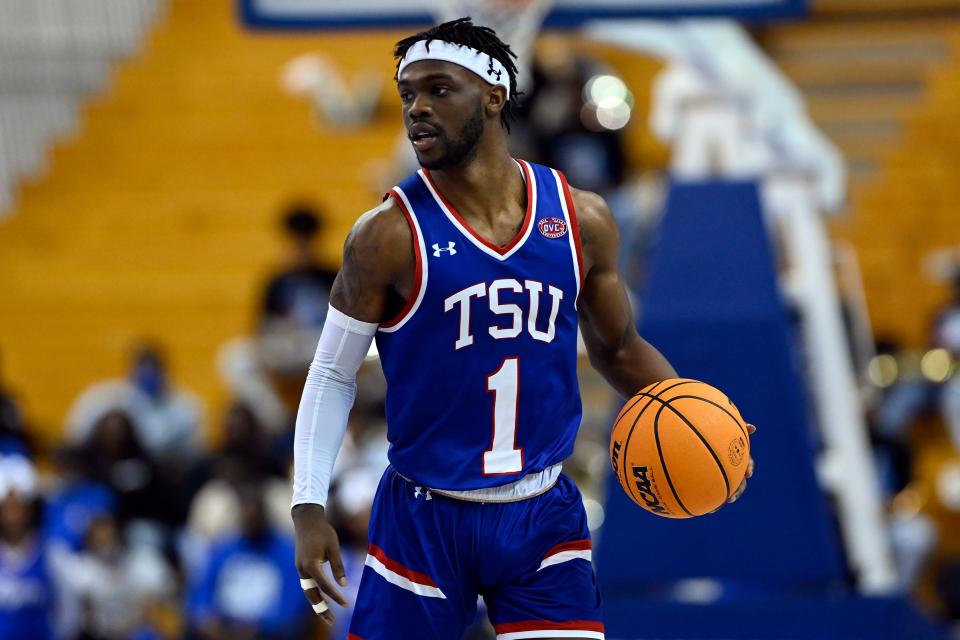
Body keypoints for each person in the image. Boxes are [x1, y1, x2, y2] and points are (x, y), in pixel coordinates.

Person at [291, 18, 754, 639]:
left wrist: (699, 419)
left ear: (494, 95)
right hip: (424, 513)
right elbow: (330, 371)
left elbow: (619, 349)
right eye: (407, 95)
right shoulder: (386, 235)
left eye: (438, 89)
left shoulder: (580, 217)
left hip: (542, 511)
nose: (417, 108)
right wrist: (307, 505)